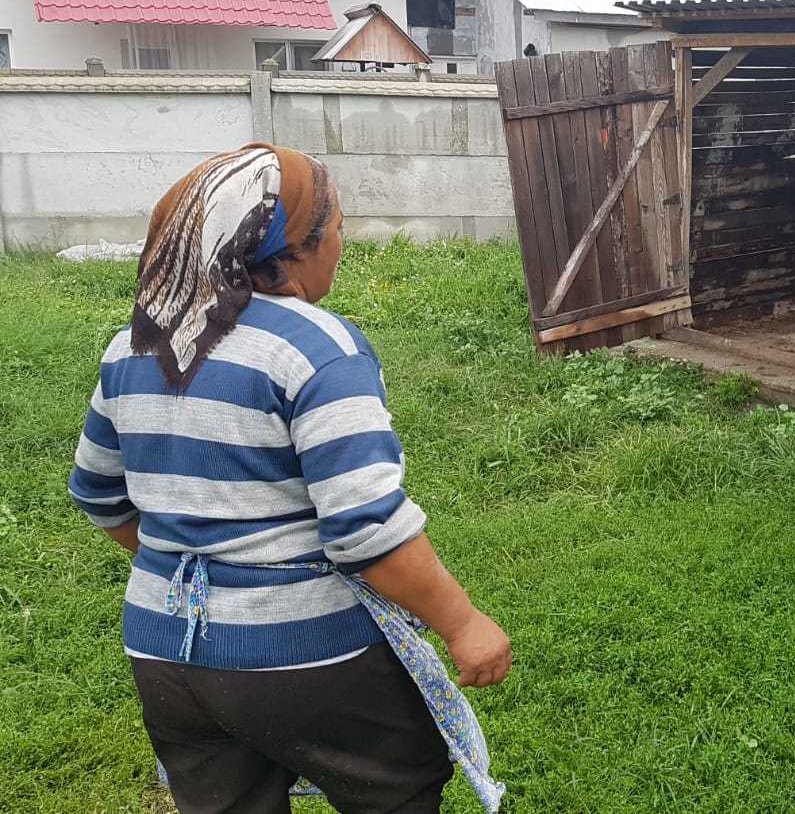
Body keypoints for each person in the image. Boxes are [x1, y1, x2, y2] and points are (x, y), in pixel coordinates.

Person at [67, 144, 512, 813]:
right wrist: (463, 624)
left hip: (163, 654)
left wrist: (198, 564)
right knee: (398, 789)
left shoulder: (135, 343)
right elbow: (365, 527)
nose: (341, 244)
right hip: (304, 654)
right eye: (337, 229)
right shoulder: (317, 348)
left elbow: (98, 493)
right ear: (295, 249)